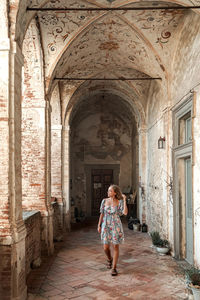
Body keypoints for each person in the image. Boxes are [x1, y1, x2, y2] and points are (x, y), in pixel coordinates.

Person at [97, 185, 128, 276]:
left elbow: (125, 213)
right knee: (105, 247)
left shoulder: (120, 202)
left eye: (110, 191)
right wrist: (99, 225)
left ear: (115, 193)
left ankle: (114, 268)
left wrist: (125, 200)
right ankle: (110, 259)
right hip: (105, 225)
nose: (108, 192)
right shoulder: (104, 201)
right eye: (108, 191)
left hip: (116, 225)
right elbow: (102, 214)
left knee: (115, 247)